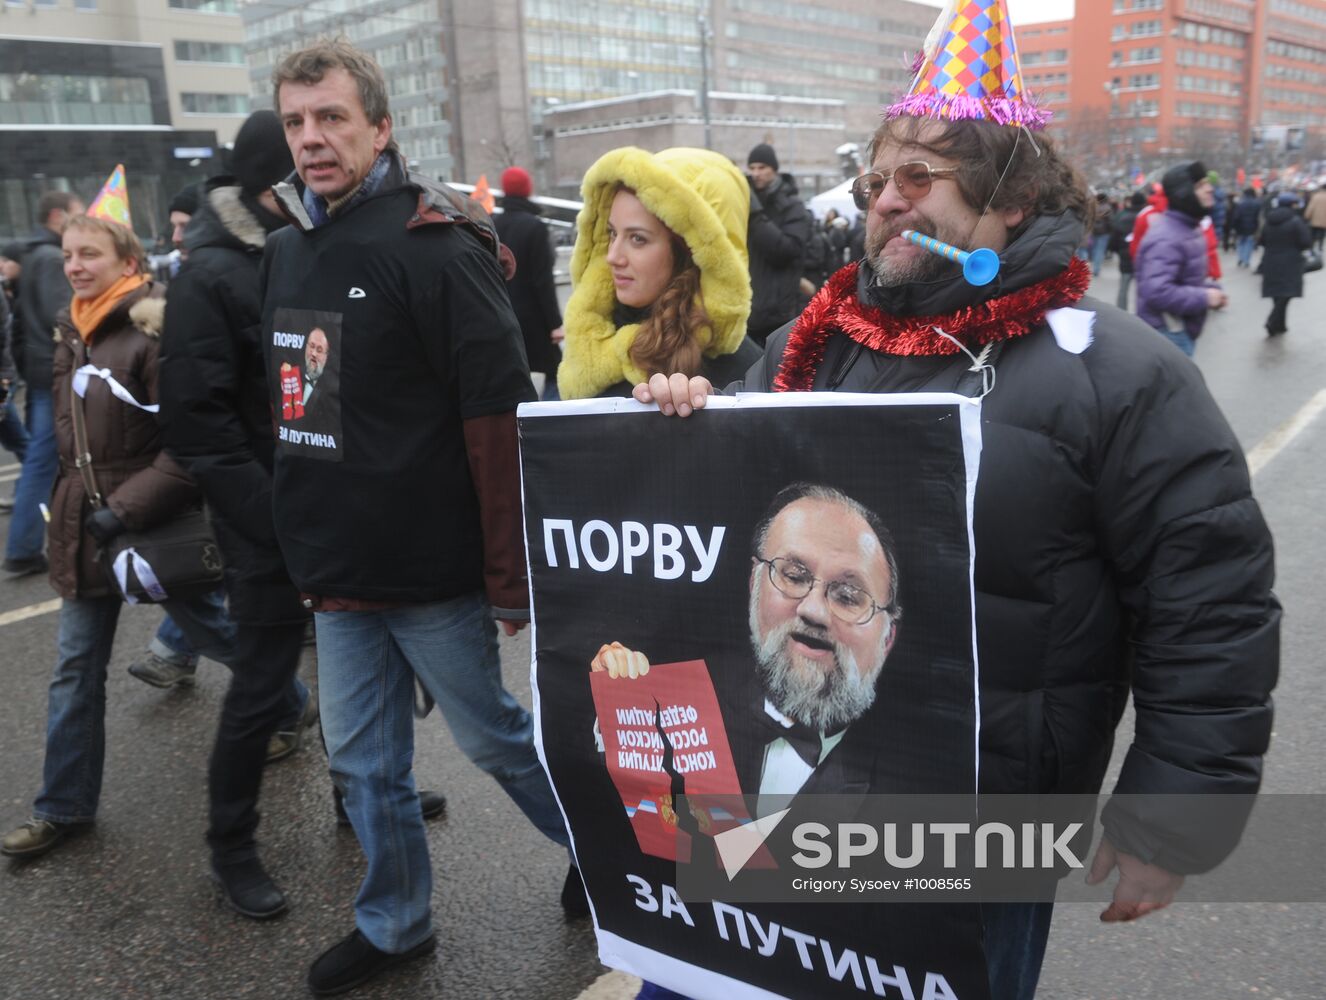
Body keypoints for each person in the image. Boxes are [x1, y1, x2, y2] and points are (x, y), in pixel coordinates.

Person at [632, 4, 1279, 993]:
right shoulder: (814, 342)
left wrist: (1174, 814)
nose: (885, 200)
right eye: (876, 179)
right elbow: (719, 515)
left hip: (977, 832)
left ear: (1010, 198)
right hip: (770, 797)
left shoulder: (1118, 373)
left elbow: (1209, 603)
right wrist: (680, 421)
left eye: (918, 177)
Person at [261, 39, 578, 995]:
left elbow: (494, 416)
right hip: (337, 569)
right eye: (297, 122)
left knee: (493, 741)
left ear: (380, 127)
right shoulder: (283, 249)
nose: (313, 139)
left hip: (430, 567)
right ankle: (397, 925)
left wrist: (506, 571)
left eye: (332, 119)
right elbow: (289, 412)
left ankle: (628, 864)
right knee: (362, 766)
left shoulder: (436, 246)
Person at [0, 215, 247, 860]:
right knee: (75, 668)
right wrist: (75, 508)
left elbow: (190, 444)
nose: (75, 265)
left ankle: (286, 702)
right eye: (67, 254)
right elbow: (68, 444)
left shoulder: (152, 328)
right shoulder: (70, 331)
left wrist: (127, 507)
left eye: (89, 254)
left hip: (149, 525)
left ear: (128, 260)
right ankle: (62, 807)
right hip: (86, 524)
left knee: (213, 632)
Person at [592, 482, 901, 808]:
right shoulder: (693, 691)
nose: (813, 610)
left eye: (849, 597)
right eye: (794, 576)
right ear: (755, 584)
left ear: (887, 638)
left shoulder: (924, 773)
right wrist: (619, 710)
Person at [558, 146, 761, 400]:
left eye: (637, 239)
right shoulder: (595, 333)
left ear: (691, 252)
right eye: (612, 233)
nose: (612, 257)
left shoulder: (745, 376)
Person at [3, 191, 84, 578]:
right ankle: (23, 547)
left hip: (37, 369)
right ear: (57, 216)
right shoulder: (51, 259)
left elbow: (18, 322)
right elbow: (66, 317)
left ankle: (28, 543)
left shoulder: (33, 255)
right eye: (77, 213)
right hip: (52, 370)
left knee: (42, 458)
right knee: (42, 460)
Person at [1135, 161, 1227, 356]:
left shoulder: (1187, 227)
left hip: (1179, 329)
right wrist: (1205, 297)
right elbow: (1157, 291)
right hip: (1169, 333)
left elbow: (1183, 278)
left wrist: (1210, 289)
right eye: (1200, 185)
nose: (1210, 189)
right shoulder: (1167, 237)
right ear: (1184, 192)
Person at [494, 165, 564, 400]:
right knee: (556, 372)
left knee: (515, 374)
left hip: (501, 316)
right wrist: (555, 323)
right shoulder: (535, 227)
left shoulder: (491, 224)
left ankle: (522, 418)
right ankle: (546, 419)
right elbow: (541, 279)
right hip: (534, 319)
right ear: (527, 190)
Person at [745, 143, 813, 345]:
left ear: (774, 170)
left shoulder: (793, 206)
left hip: (778, 315)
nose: (756, 173)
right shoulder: (748, 200)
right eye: (752, 168)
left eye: (762, 168)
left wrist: (756, 215)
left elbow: (786, 250)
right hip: (749, 310)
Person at [1257, 191, 1313, 338]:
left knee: (1277, 293)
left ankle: (1280, 325)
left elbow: (1261, 240)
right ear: (1291, 205)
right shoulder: (1295, 221)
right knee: (1286, 293)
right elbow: (1305, 242)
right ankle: (1272, 321)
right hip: (1290, 262)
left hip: (1271, 260)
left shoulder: (1269, 220)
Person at [1108, 190, 1146, 310]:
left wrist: (1118, 251)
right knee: (1143, 289)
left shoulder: (1122, 216)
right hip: (1144, 259)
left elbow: (1113, 240)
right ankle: (1142, 312)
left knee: (1123, 288)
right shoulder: (1147, 217)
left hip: (1126, 257)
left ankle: (1121, 310)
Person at [1231, 186, 1263, 269]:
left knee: (1241, 242)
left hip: (1240, 226)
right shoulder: (1257, 203)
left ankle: (1241, 258)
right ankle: (1246, 260)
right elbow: (1258, 217)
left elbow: (1236, 216)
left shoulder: (1240, 203)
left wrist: (1234, 226)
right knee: (1249, 243)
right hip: (1252, 226)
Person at [1304, 184, 1326, 254]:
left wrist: (1307, 216)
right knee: (1322, 234)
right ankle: (1320, 247)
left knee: (1313, 234)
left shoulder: (1316, 196)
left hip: (1315, 220)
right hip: (1324, 221)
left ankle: (1312, 248)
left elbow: (1311, 207)